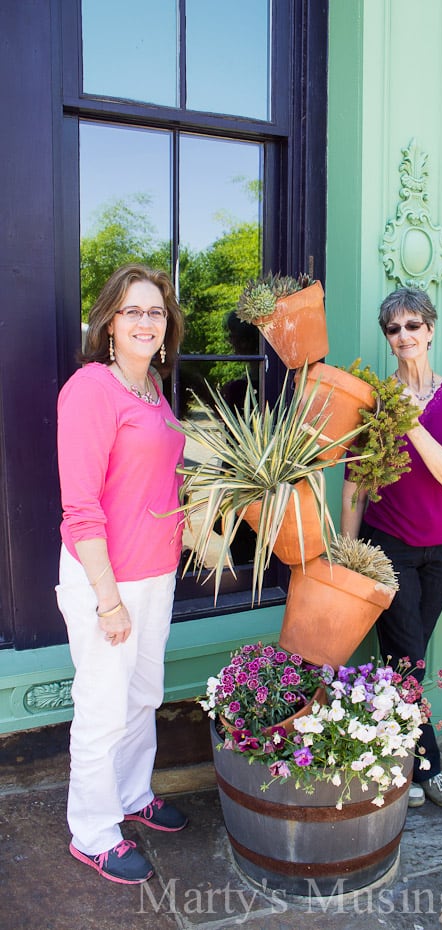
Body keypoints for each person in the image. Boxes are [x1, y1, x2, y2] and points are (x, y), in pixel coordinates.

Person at [56, 264, 188, 884]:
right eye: (133, 311)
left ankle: (133, 796)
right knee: (103, 706)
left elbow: (158, 478)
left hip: (155, 576)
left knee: (143, 697)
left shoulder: (154, 390)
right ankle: (93, 830)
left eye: (155, 312)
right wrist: (108, 601)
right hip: (105, 581)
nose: (145, 321)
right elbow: (80, 507)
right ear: (110, 322)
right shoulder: (91, 389)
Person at [341, 286, 442, 810]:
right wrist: (351, 557)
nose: (404, 337)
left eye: (413, 326)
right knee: (407, 657)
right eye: (394, 329)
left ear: (431, 329)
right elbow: (355, 483)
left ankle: (399, 757)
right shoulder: (371, 402)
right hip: (388, 546)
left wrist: (410, 421)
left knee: (404, 656)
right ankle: (429, 768)